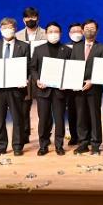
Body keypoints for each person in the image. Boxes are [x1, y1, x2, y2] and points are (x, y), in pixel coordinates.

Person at [0, 17, 30, 157]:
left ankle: (17, 146)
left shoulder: (24, 46)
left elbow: (28, 67)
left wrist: (25, 79)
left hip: (16, 89)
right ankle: (0, 146)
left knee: (18, 118)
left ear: (15, 29)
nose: (7, 30)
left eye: (10, 27)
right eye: (4, 28)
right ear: (0, 30)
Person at [30, 22, 72, 156]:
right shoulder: (39, 49)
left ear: (60, 33)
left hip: (60, 91)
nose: (53, 34)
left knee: (59, 120)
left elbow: (70, 70)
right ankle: (43, 145)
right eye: (51, 32)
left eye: (56, 31)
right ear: (46, 33)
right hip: (43, 91)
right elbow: (33, 68)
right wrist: (37, 80)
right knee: (43, 120)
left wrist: (66, 82)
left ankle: (59, 145)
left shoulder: (67, 50)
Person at [70, 19, 103, 155]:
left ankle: (95, 144)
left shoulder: (102, 48)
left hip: (94, 88)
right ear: (82, 30)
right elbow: (72, 65)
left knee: (94, 116)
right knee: (81, 116)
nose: (89, 30)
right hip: (78, 87)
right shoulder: (76, 47)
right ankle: (83, 143)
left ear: (97, 31)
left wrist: (92, 81)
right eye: (86, 28)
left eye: (92, 28)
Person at [16, 6, 45, 146]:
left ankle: (44, 136)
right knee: (23, 108)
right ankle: (24, 134)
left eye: (33, 17)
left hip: (40, 75)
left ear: (37, 18)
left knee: (43, 108)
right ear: (23, 20)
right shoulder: (17, 35)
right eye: (28, 17)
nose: (30, 19)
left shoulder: (46, 34)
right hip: (24, 76)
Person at [63, 22, 83, 146]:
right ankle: (74, 136)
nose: (76, 33)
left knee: (83, 112)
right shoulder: (65, 47)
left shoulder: (87, 46)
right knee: (71, 112)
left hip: (84, 85)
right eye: (73, 31)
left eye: (78, 31)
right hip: (69, 86)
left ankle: (84, 136)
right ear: (69, 34)